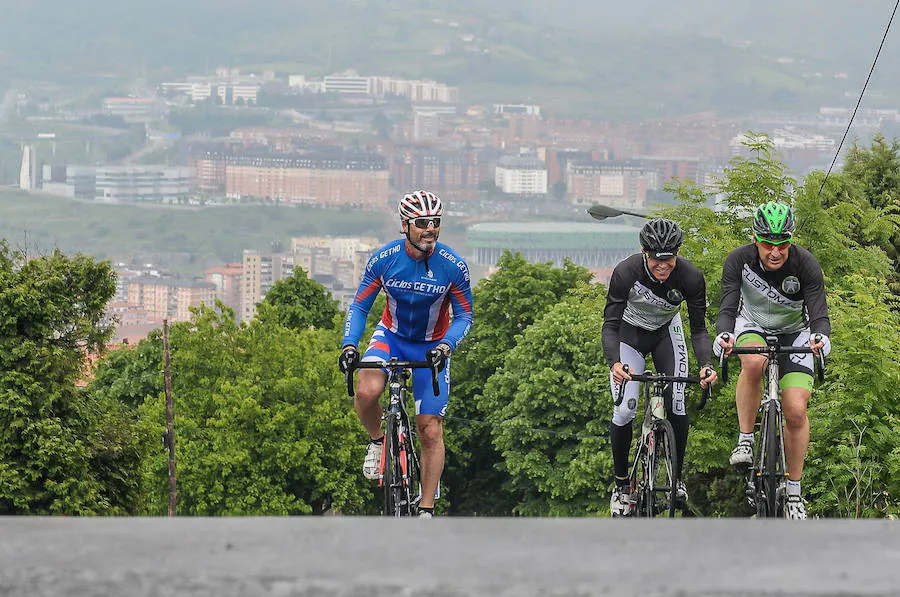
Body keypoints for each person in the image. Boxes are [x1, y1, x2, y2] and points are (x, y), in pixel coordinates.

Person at [338, 190, 473, 519]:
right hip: (392, 336)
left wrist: (446, 346)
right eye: (423, 223)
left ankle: (425, 507)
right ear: (405, 225)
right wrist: (349, 344)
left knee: (430, 429)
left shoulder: (453, 265)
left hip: (433, 345)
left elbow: (465, 316)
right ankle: (377, 440)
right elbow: (359, 305)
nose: (430, 229)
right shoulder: (384, 260)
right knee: (367, 390)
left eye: (436, 223)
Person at [713, 201, 831, 520]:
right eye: (767, 243)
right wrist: (724, 335)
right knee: (753, 362)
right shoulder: (739, 260)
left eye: (782, 243)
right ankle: (746, 439)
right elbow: (727, 306)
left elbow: (818, 311)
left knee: (795, 409)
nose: (775, 251)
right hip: (752, 326)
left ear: (790, 242)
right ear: (755, 238)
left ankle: (794, 492)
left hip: (796, 333)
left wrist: (821, 337)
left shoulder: (806, 264)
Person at [603, 218, 717, 517]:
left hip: (666, 333)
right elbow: (610, 325)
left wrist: (706, 365)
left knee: (677, 402)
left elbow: (699, 331)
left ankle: (676, 478)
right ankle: (621, 485)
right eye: (656, 260)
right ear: (644, 253)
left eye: (669, 259)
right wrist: (615, 362)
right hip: (629, 335)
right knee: (625, 409)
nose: (663, 267)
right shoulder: (626, 272)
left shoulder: (691, 277)